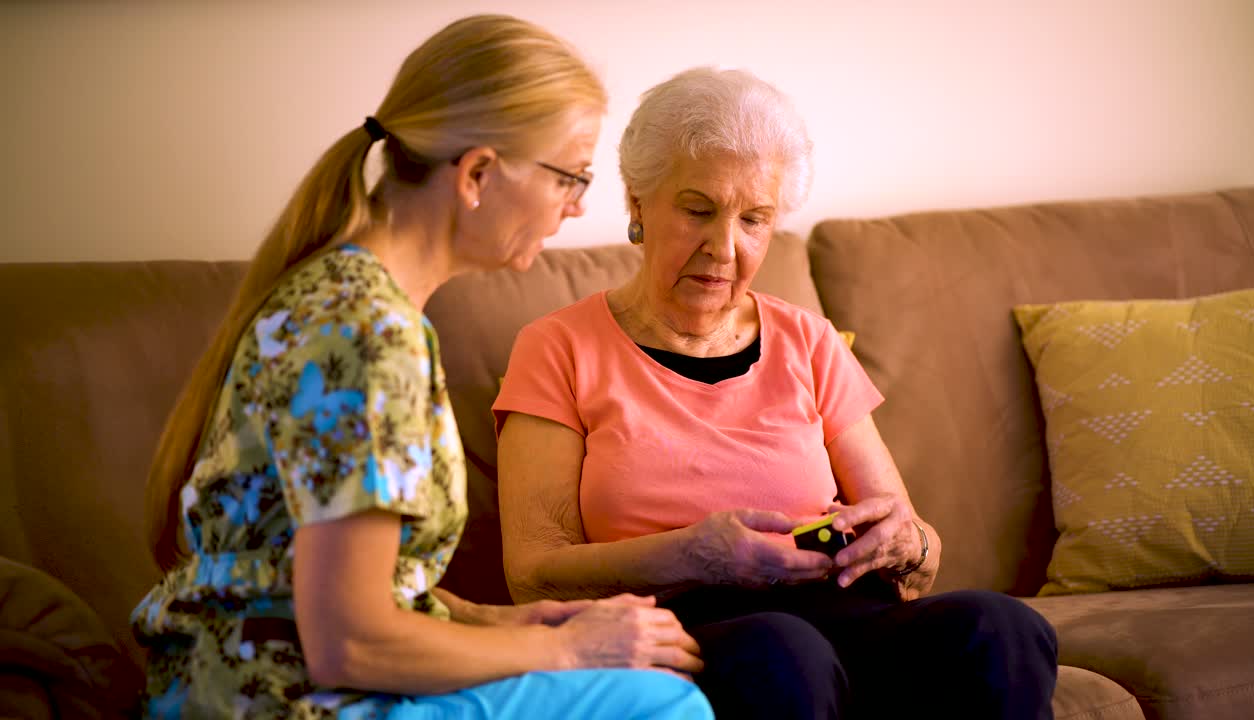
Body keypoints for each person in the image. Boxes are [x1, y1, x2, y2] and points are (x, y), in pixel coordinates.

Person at [133, 15, 711, 719]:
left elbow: (337, 582)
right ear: (477, 174)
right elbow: (350, 643)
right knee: (663, 705)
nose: (579, 205)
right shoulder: (369, 335)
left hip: (238, 683)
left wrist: (499, 623)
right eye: (571, 176)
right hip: (289, 702)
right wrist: (571, 651)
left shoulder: (345, 299)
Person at [494, 66, 1059, 719]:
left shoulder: (808, 341)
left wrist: (906, 543)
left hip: (851, 615)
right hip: (689, 633)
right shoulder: (558, 347)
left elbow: (916, 545)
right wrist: (694, 556)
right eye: (697, 210)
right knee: (782, 650)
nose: (724, 248)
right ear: (638, 203)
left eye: (754, 220)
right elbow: (532, 571)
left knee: (1001, 628)